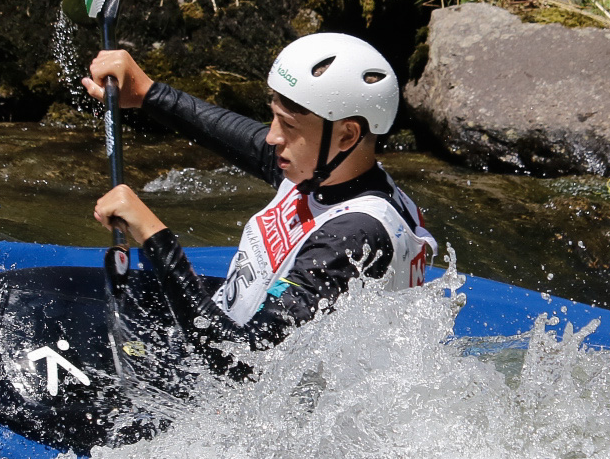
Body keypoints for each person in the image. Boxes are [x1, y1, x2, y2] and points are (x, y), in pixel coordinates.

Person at [82, 32, 436, 351]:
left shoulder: (354, 235)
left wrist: (153, 235)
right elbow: (235, 135)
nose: (272, 137)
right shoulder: (325, 169)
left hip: (254, 395)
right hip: (223, 340)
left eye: (289, 125)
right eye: (274, 117)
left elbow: (242, 364)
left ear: (347, 134)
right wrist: (148, 93)